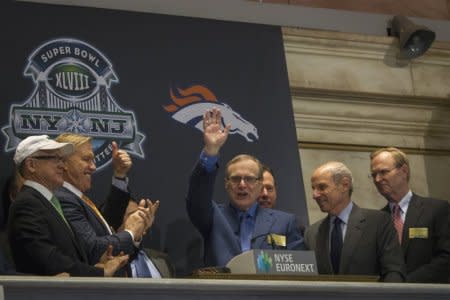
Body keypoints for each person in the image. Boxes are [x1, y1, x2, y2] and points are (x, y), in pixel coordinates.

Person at [186, 108, 304, 267]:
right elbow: (197, 195)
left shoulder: (285, 222)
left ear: (260, 184)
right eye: (235, 179)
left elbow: (298, 269)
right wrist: (211, 151)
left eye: (249, 179)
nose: (242, 185)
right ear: (226, 184)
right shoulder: (213, 216)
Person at [55, 133, 174, 278]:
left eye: (93, 160)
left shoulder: (77, 198)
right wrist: (130, 232)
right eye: (86, 159)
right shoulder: (64, 199)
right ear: (64, 163)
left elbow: (108, 225)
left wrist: (119, 175)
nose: (93, 167)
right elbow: (94, 249)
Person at [8, 135, 128, 276]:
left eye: (62, 159)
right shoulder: (27, 204)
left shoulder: (47, 202)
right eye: (54, 159)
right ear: (31, 165)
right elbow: (49, 258)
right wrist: (98, 272)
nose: (62, 165)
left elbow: (65, 254)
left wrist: (95, 263)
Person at [305, 161, 405, 282]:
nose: (314, 195)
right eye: (313, 188)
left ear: (345, 185)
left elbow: (393, 271)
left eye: (322, 187)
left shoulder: (378, 223)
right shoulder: (312, 233)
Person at [370, 147, 450, 283]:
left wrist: (405, 284)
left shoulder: (437, 209)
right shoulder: (377, 220)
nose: (377, 179)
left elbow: (446, 258)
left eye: (383, 172)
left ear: (404, 171)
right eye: (373, 175)